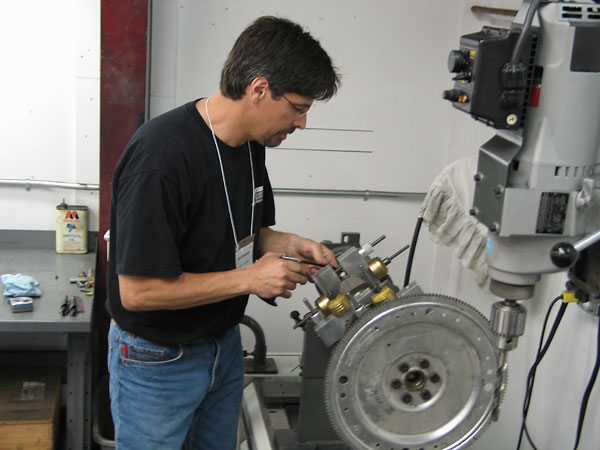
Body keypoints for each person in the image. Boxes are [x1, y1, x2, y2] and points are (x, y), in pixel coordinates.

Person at [105, 15, 341, 450]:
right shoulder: (160, 159)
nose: (302, 123)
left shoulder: (250, 145)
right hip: (158, 360)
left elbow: (249, 231)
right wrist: (251, 279)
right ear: (258, 89)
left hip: (222, 347)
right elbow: (138, 292)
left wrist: (292, 245)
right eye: (299, 107)